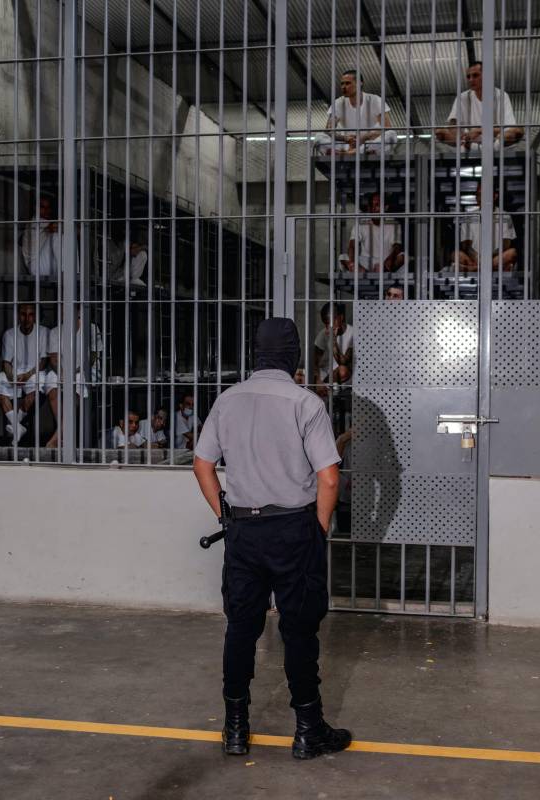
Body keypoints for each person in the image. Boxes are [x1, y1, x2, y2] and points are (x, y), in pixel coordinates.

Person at [192, 317, 350, 760]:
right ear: (293, 355)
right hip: (294, 529)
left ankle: (235, 730)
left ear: (255, 354)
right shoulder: (306, 403)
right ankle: (308, 730)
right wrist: (317, 529)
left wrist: (226, 516)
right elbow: (329, 478)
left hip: (244, 531)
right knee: (299, 631)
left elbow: (202, 465)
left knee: (241, 629)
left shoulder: (228, 400)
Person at [0, 302, 56, 442]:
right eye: (23, 314)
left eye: (31, 315)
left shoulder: (44, 332)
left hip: (35, 372)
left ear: (35, 316)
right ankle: (18, 428)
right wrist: (12, 377)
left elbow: (44, 362)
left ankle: (15, 425)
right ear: (18, 315)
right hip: (15, 373)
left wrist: (27, 375)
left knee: (37, 385)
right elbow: (6, 363)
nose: (27, 318)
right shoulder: (10, 334)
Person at [43, 307, 103, 449]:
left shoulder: (92, 329)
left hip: (86, 370)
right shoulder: (55, 331)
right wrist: (62, 372)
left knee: (79, 383)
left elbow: (93, 357)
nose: (65, 313)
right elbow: (54, 359)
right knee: (50, 379)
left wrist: (72, 372)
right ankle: (64, 433)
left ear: (78, 312)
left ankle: (57, 437)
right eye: (63, 310)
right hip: (63, 371)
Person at [434, 61, 523, 150]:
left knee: (518, 131)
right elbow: (453, 126)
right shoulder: (462, 97)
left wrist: (479, 131)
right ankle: (474, 146)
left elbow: (508, 128)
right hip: (469, 141)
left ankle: (489, 148)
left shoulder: (501, 95)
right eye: (468, 77)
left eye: (475, 75)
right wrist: (461, 135)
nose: (471, 80)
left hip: (496, 142)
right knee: (439, 132)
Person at [318, 70, 397, 156]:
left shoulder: (375, 100)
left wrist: (364, 137)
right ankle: (353, 153)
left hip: (369, 143)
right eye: (342, 84)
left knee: (391, 135)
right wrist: (345, 138)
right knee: (319, 136)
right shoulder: (338, 103)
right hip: (348, 145)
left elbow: (387, 128)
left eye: (348, 83)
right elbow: (329, 131)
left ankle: (350, 153)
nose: (343, 87)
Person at [448, 184, 517, 272]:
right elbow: (466, 244)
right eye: (478, 194)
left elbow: (506, 243)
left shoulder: (505, 216)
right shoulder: (469, 217)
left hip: (495, 257)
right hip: (474, 258)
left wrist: (489, 256)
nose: (480, 198)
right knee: (456, 254)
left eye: (484, 194)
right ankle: (489, 268)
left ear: (495, 196)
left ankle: (474, 269)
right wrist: (477, 257)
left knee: (512, 252)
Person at [337, 193, 405, 276]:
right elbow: (352, 246)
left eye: (377, 205)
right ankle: (364, 272)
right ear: (368, 208)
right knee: (343, 257)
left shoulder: (394, 223)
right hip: (365, 262)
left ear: (385, 207)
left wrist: (388, 262)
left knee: (403, 256)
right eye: (371, 205)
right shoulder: (361, 223)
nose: (374, 208)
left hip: (385, 262)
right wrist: (352, 263)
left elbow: (397, 247)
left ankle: (378, 272)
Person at [313, 302, 354, 391]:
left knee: (343, 371)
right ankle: (323, 387)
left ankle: (325, 387)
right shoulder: (323, 333)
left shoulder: (353, 333)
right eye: (325, 323)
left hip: (344, 377)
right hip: (326, 374)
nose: (328, 327)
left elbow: (343, 362)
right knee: (299, 374)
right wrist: (318, 380)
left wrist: (333, 340)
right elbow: (314, 361)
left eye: (330, 322)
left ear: (341, 317)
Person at [20, 196, 61, 278]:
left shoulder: (43, 222)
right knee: (57, 236)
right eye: (42, 207)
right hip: (36, 266)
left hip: (42, 263)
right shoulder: (37, 221)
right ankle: (69, 273)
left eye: (48, 207)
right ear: (35, 208)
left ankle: (72, 271)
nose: (46, 210)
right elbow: (60, 227)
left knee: (69, 237)